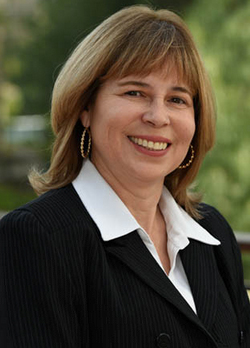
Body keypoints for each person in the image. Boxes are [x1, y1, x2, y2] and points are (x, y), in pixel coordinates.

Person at [0, 5, 249, 348]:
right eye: (135, 92)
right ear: (85, 107)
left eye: (177, 99)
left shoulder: (213, 235)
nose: (158, 116)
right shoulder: (35, 238)